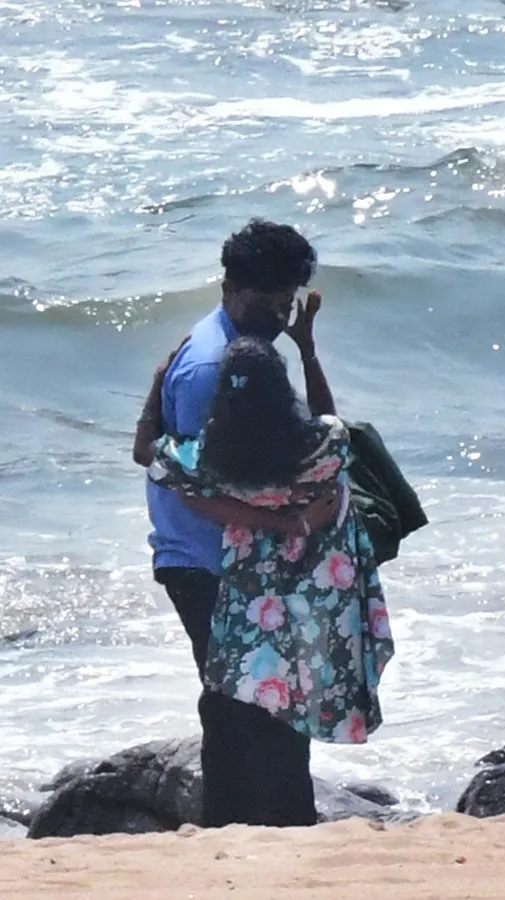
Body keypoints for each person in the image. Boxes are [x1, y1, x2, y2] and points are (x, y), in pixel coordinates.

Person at [134, 219, 342, 827]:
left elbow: (316, 442)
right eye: (272, 305)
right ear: (233, 289)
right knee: (250, 706)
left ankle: (255, 826)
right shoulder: (209, 369)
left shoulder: (245, 348)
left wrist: (303, 346)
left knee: (256, 701)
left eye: (287, 305)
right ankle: (260, 829)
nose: (281, 316)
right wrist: (296, 526)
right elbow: (197, 486)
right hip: (209, 559)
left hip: (236, 559)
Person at [135, 336, 394, 823]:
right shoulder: (323, 444)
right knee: (291, 715)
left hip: (251, 600)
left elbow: (145, 451)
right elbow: (330, 418)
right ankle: (292, 815)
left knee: (245, 705)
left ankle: (237, 818)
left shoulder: (212, 461)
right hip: (317, 597)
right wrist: (310, 350)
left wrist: (157, 381)